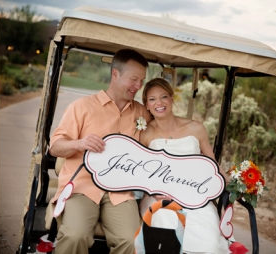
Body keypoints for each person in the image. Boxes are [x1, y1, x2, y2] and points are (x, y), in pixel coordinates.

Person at [49, 49, 152, 254]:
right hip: (82, 187)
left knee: (132, 243)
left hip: (120, 192)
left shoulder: (142, 113)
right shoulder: (82, 107)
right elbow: (55, 147)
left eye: (141, 80)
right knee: (74, 236)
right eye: (133, 79)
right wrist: (80, 143)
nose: (138, 86)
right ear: (115, 74)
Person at [138, 78, 232, 253]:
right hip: (159, 197)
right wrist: (155, 192)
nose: (159, 103)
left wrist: (230, 182)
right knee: (166, 223)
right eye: (152, 99)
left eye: (164, 97)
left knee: (207, 237)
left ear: (172, 98)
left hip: (193, 195)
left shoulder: (195, 128)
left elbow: (211, 164)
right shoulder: (145, 134)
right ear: (147, 104)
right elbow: (140, 172)